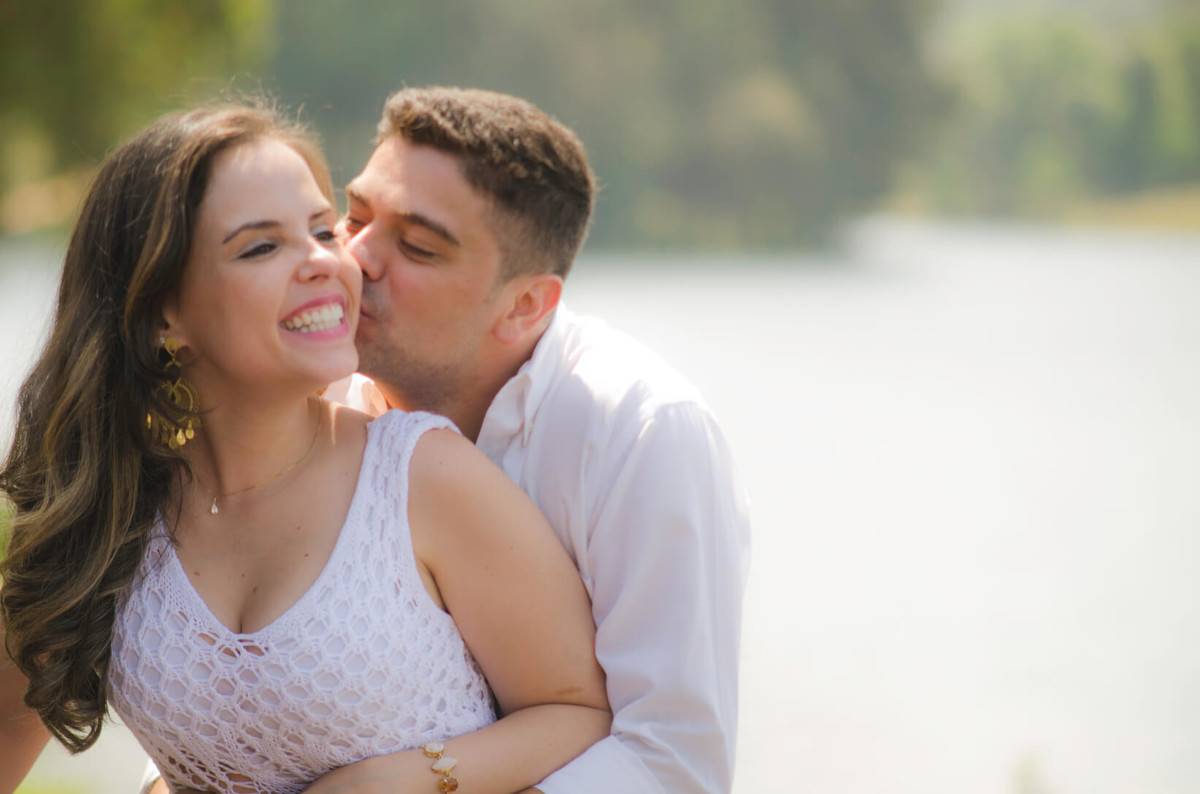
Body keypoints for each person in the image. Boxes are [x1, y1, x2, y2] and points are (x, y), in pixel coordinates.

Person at [0, 103, 611, 794]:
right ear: (162, 315)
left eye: (323, 230)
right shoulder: (106, 505)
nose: (327, 261)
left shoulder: (422, 479)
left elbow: (580, 710)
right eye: (262, 246)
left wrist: (403, 780)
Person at [332, 86, 752, 793]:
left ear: (526, 306)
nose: (356, 259)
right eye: (354, 216)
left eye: (416, 246)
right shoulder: (313, 395)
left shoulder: (642, 432)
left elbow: (673, 763)